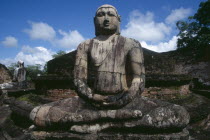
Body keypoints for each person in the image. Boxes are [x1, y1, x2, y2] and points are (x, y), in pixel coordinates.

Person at [30, 4, 189, 133]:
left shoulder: (131, 44)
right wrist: (93, 97)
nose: (106, 18)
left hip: (126, 101)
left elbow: (138, 79)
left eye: (110, 14)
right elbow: (79, 80)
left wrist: (124, 99)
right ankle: (115, 119)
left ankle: (106, 124)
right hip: (92, 103)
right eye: (101, 15)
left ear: (119, 20)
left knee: (180, 114)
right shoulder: (85, 45)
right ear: (94, 21)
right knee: (36, 112)